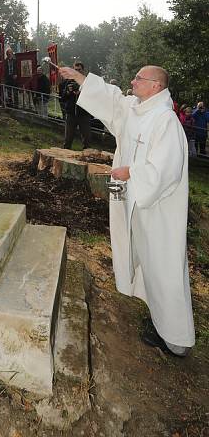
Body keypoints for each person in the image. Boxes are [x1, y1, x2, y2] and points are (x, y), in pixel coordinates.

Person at [58, 63, 195, 357]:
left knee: (163, 268)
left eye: (138, 78)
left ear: (155, 85)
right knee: (147, 264)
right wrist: (80, 77)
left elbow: (166, 170)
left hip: (157, 209)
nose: (132, 81)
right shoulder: (136, 109)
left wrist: (131, 173)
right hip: (135, 203)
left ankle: (177, 341)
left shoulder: (165, 121)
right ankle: (161, 321)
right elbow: (111, 100)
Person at [59, 61, 92, 149]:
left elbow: (93, 97)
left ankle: (87, 158)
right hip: (71, 114)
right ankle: (64, 158)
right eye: (75, 69)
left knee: (87, 139)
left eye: (79, 69)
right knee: (68, 139)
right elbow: (62, 98)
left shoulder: (88, 82)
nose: (77, 71)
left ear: (83, 70)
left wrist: (81, 92)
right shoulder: (68, 82)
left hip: (84, 114)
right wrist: (68, 92)